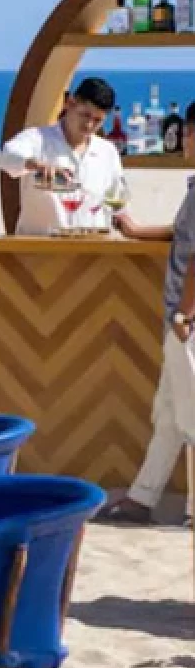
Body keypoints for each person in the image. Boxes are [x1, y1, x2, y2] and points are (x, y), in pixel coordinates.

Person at [99, 178, 195, 524]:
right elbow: (183, 233)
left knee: (190, 414)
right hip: (181, 316)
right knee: (169, 413)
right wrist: (138, 231)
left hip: (187, 319)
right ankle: (142, 498)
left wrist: (186, 311)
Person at [0, 77, 123, 235]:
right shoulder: (37, 138)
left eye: (97, 120)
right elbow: (7, 157)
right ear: (70, 103)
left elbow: (117, 203)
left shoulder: (108, 151)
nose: (89, 125)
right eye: (85, 115)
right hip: (38, 249)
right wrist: (36, 165)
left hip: (90, 250)